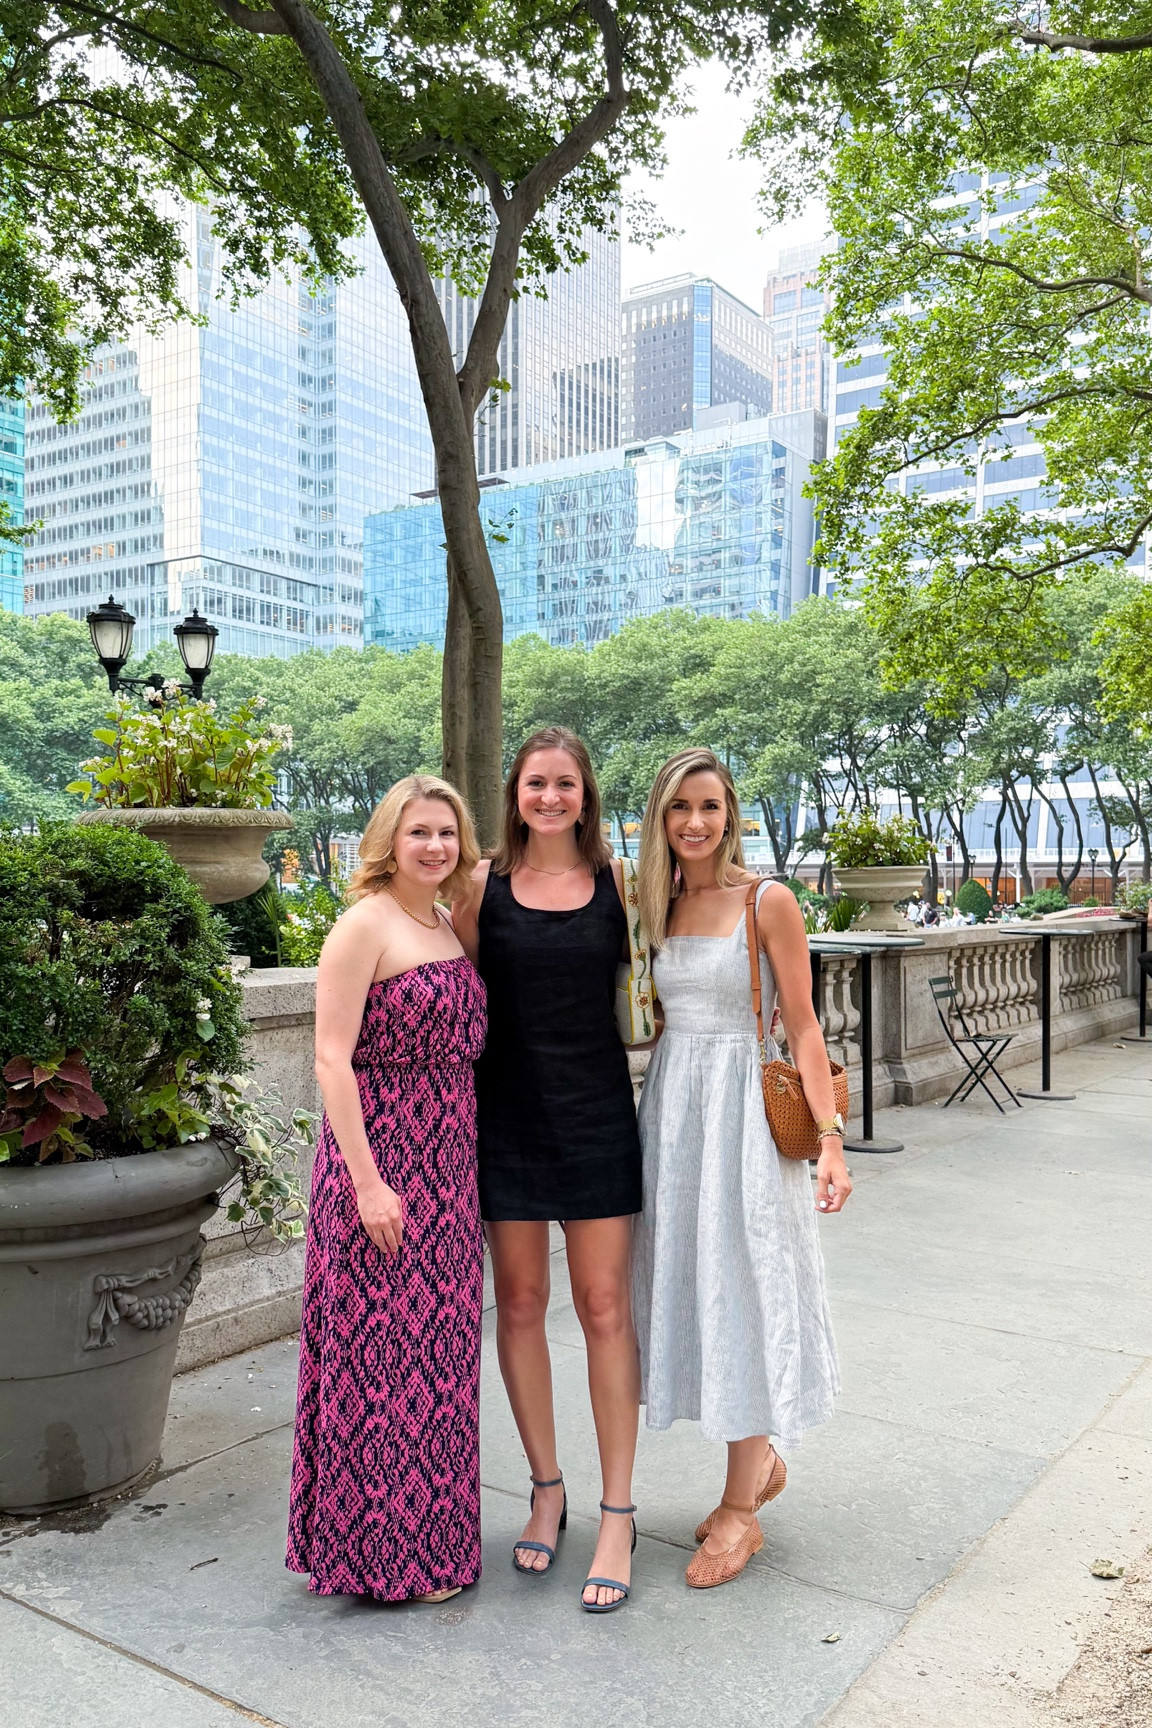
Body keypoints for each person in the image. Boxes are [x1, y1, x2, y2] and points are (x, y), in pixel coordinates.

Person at [632, 748, 850, 1591]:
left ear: (732, 814)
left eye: (711, 807)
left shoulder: (767, 900)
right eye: (680, 807)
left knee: (748, 1286)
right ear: (661, 816)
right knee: (696, 1288)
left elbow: (804, 1026)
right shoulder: (655, 904)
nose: (695, 822)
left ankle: (739, 1513)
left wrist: (829, 1141)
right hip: (673, 1117)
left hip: (747, 1122)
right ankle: (753, 1467)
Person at [454, 727, 642, 1613]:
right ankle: (547, 1488)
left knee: (605, 1309)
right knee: (520, 1305)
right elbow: (438, 975)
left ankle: (617, 1510)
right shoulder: (481, 886)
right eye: (537, 783)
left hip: (601, 1118)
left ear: (585, 792)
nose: (551, 798)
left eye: (566, 783)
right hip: (508, 1121)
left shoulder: (621, 883)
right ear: (515, 792)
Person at [287, 775, 486, 1605]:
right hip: (383, 1163)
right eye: (419, 834)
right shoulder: (362, 925)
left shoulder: (441, 921)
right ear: (388, 842)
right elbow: (332, 1059)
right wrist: (369, 1185)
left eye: (447, 833)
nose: (435, 846)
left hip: (451, 1166)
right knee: (382, 1367)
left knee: (440, 1360)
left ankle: (437, 1541)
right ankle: (381, 1558)